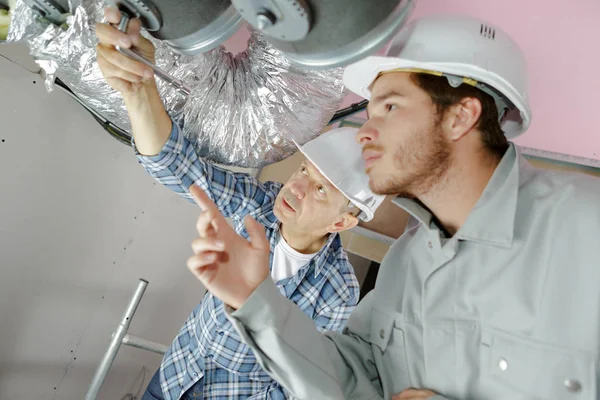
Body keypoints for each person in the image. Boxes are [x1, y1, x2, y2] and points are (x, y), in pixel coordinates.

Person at [185, 14, 600, 400]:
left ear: (460, 117)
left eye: (390, 106)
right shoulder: (407, 261)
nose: (364, 132)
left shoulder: (585, 226)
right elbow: (356, 381)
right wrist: (254, 300)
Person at [94, 8, 385, 400]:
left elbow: (299, 388)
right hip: (175, 378)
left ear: (343, 222)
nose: (296, 187)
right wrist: (139, 88)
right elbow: (179, 168)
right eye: (303, 170)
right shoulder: (258, 207)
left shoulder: (337, 294)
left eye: (320, 190)